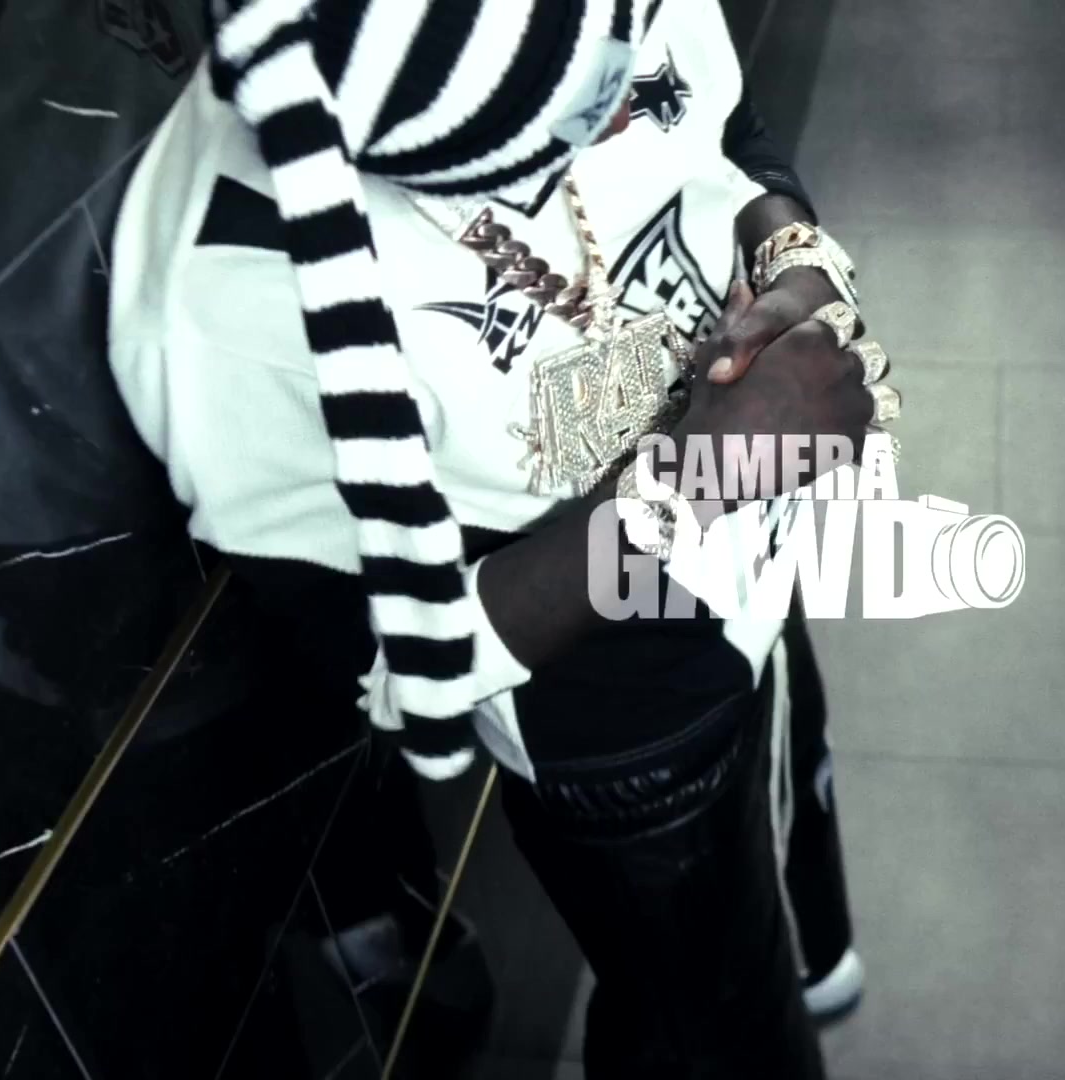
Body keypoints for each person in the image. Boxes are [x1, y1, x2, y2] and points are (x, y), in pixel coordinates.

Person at [107, 0, 895, 1074]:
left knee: (781, 858)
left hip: (758, 555)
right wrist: (694, 481)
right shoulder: (226, 301)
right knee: (704, 1032)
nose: (624, 109)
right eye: (582, 106)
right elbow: (397, 663)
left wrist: (797, 261)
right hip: (629, 730)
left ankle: (805, 960)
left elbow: (728, 133)